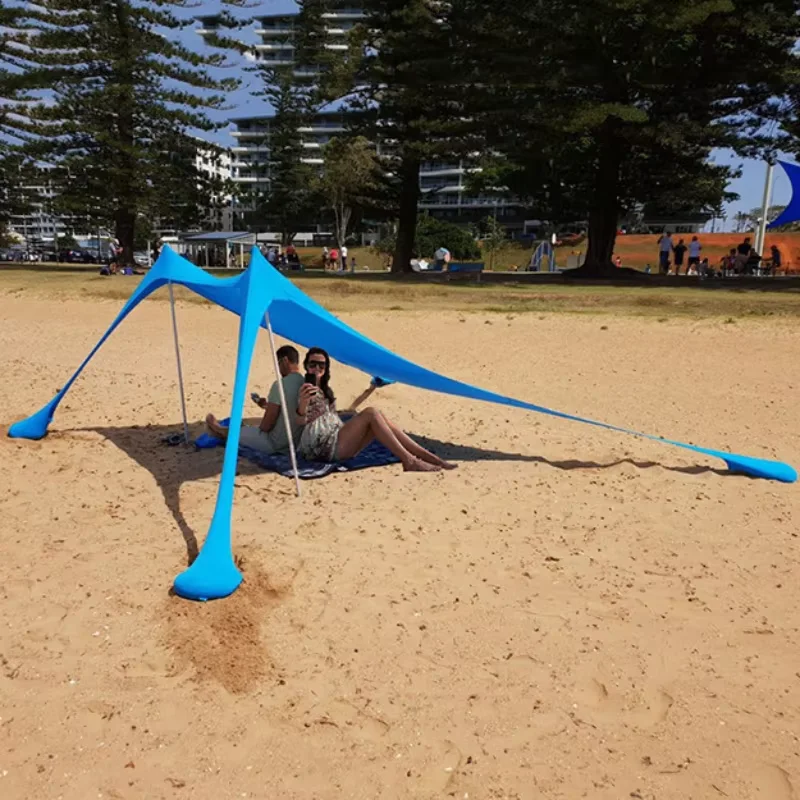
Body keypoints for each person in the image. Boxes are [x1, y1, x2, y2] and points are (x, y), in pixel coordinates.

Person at [297, 348, 456, 473]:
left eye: (321, 365)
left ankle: (428, 457)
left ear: (326, 368)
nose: (317, 368)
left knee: (380, 418)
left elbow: (327, 416)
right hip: (322, 447)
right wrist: (303, 404)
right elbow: (299, 419)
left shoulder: (325, 390)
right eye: (312, 364)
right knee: (371, 413)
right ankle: (409, 460)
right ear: (306, 366)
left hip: (337, 439)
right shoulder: (303, 389)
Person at [205, 345, 305, 455]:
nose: (278, 369)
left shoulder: (280, 385)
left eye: (278, 363)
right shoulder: (305, 384)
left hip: (276, 445)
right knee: (249, 429)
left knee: (238, 432)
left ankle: (218, 429)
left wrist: (258, 429)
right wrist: (267, 406)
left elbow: (266, 426)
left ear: (285, 360)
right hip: (295, 445)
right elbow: (290, 409)